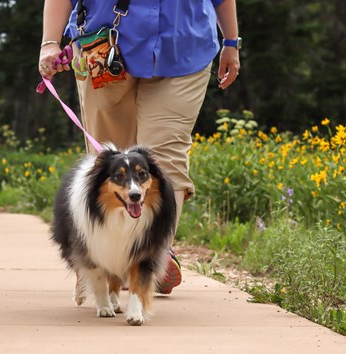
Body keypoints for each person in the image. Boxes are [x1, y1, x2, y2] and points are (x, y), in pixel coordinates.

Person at [39, 0, 240, 294]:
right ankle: (102, 258)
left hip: (185, 48)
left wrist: (232, 42)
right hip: (105, 45)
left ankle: (150, 253)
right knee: (109, 161)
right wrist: (49, 43)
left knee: (163, 161)